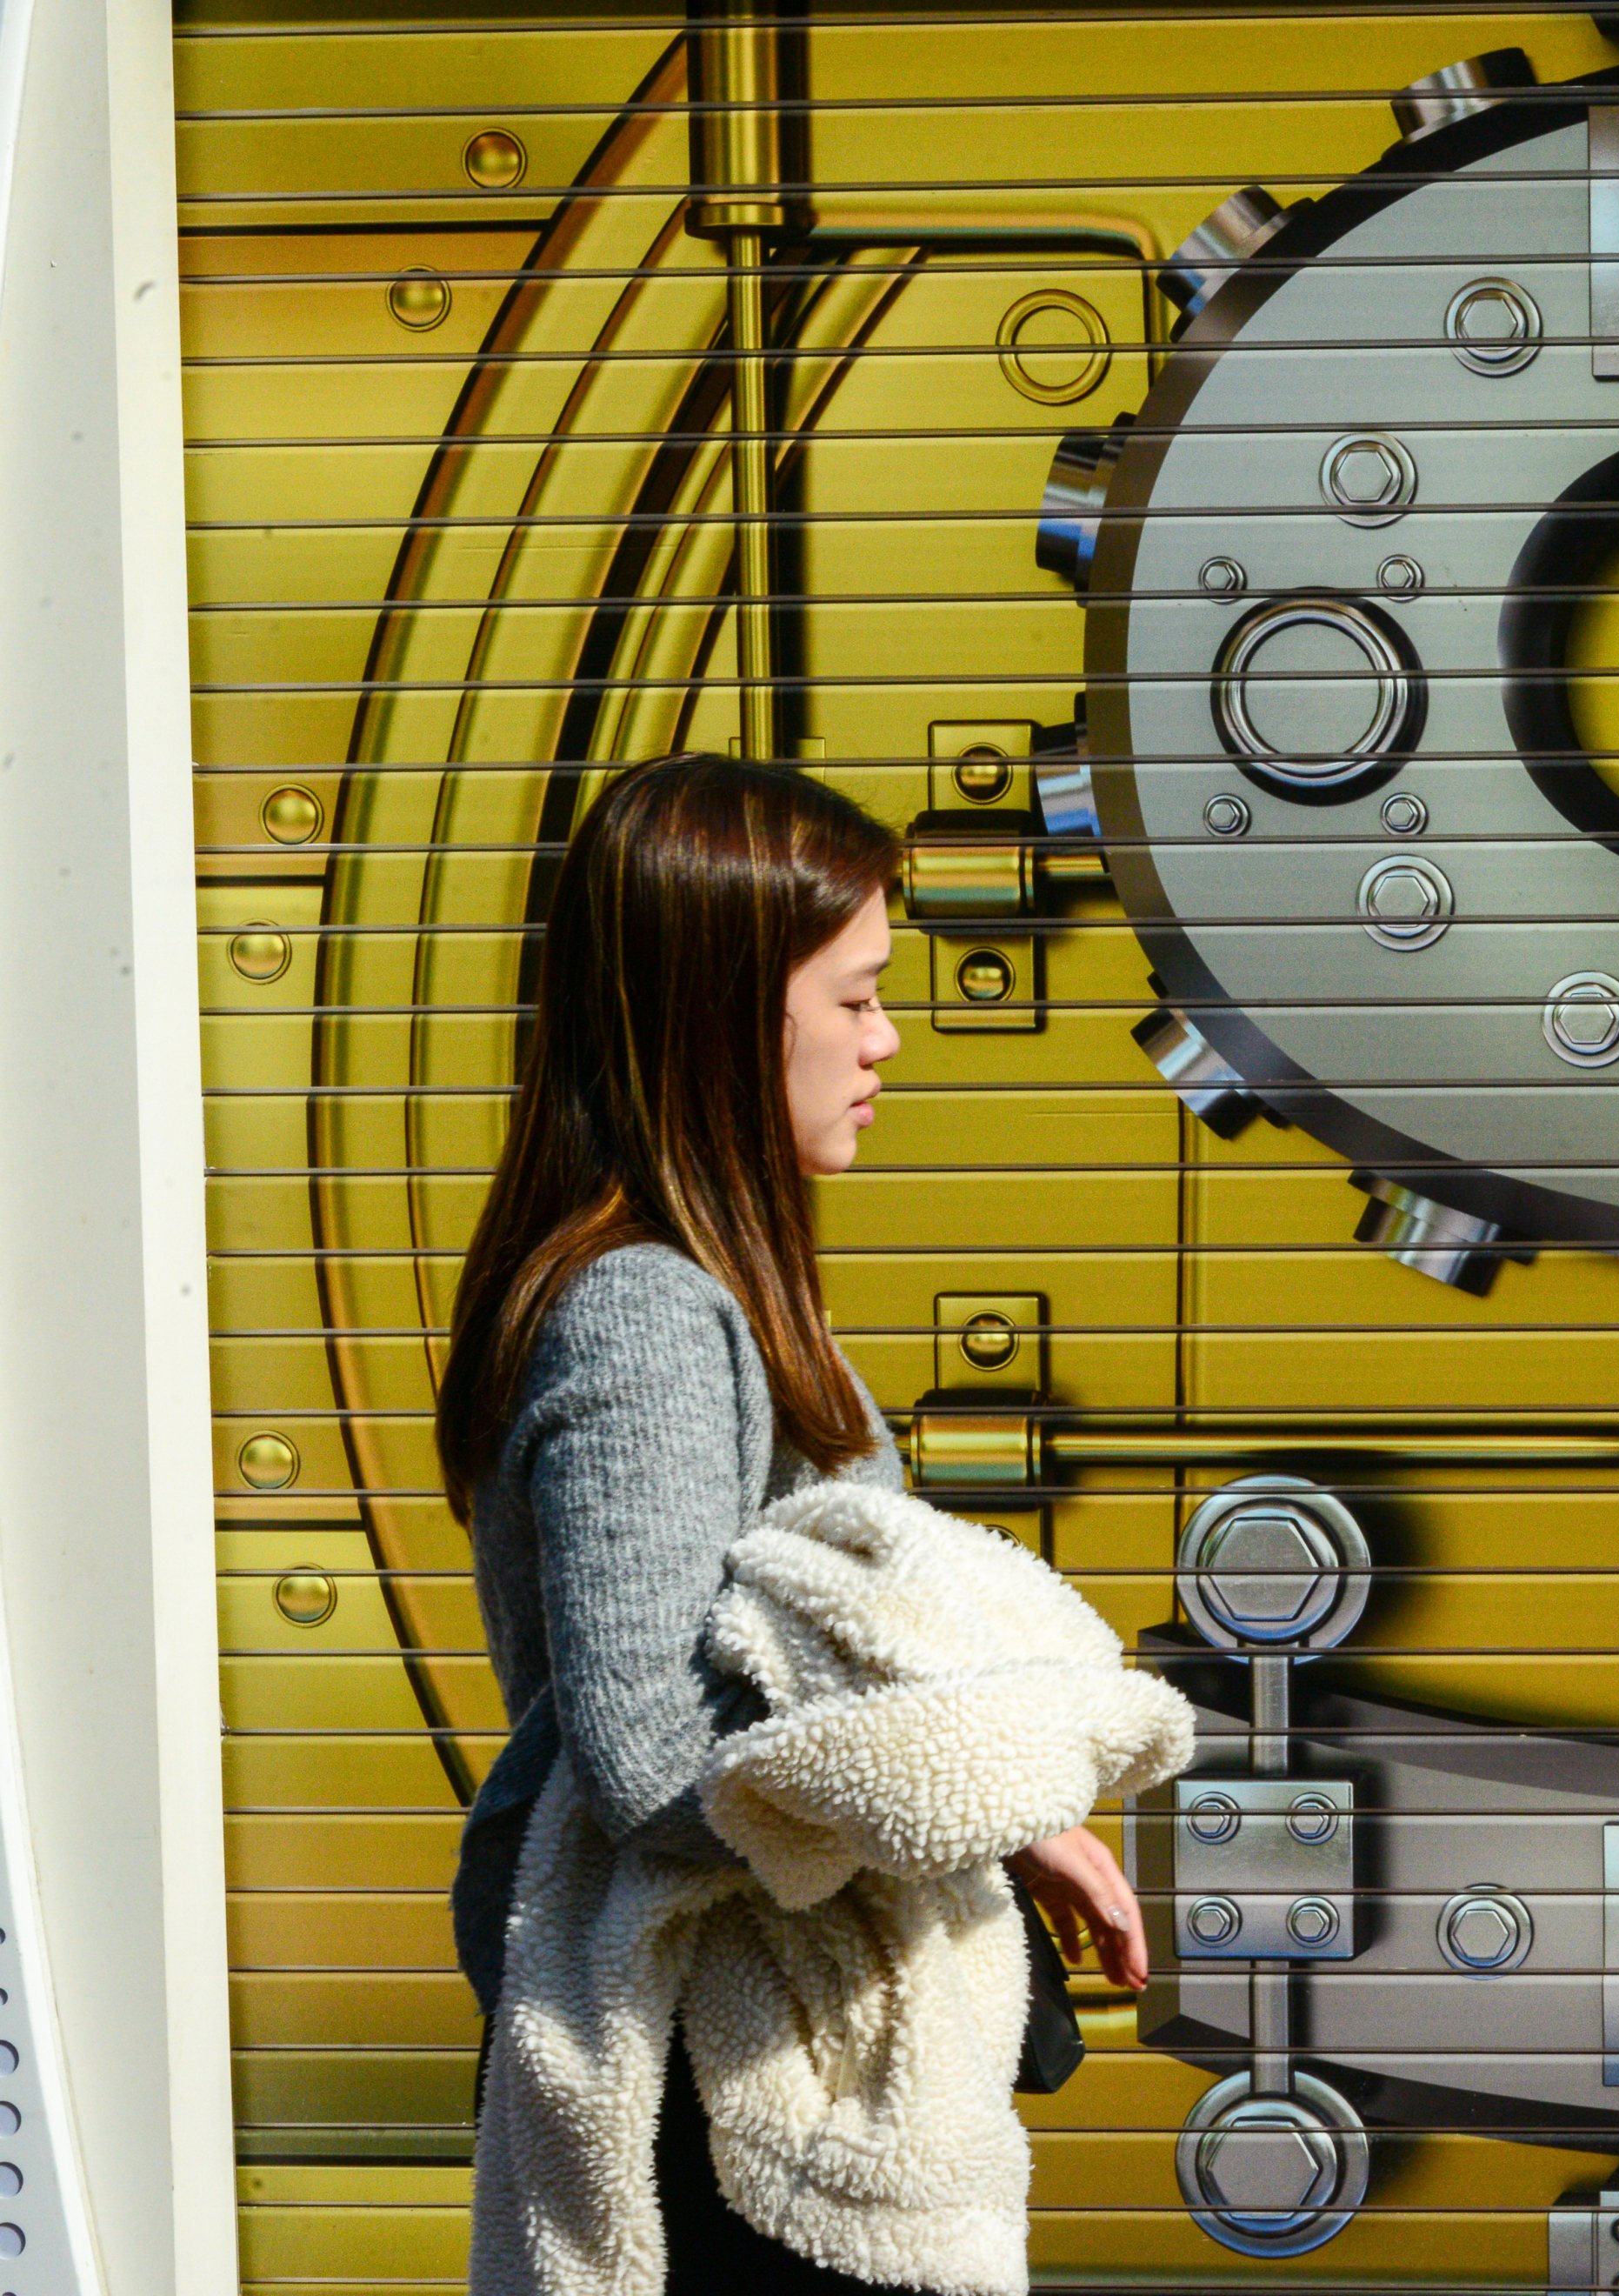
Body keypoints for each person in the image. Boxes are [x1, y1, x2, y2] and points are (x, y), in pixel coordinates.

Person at [436, 753, 1147, 2290]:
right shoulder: (644, 1313)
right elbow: (650, 1757)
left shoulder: (693, 1293)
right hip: (732, 2097)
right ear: (723, 1012)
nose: (887, 1043)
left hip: (755, 2058)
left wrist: (1014, 1820)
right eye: (858, 998)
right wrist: (979, 1784)